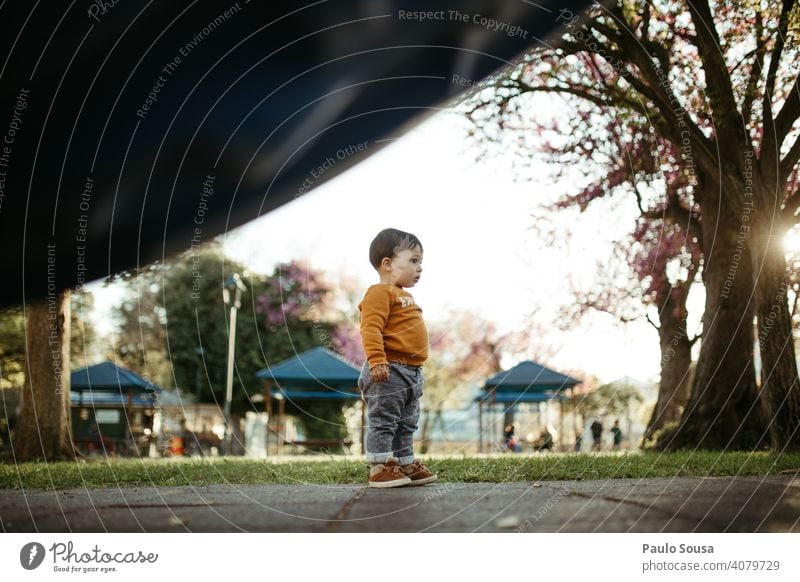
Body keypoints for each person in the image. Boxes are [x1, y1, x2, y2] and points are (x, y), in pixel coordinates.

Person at [357, 228, 437, 488]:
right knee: (384, 420)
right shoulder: (380, 292)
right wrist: (377, 360)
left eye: (420, 262)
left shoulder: (406, 295)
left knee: (407, 422)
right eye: (414, 260)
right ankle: (379, 467)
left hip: (412, 372)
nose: (420, 267)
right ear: (388, 264)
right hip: (388, 369)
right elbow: (371, 328)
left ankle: (404, 463)